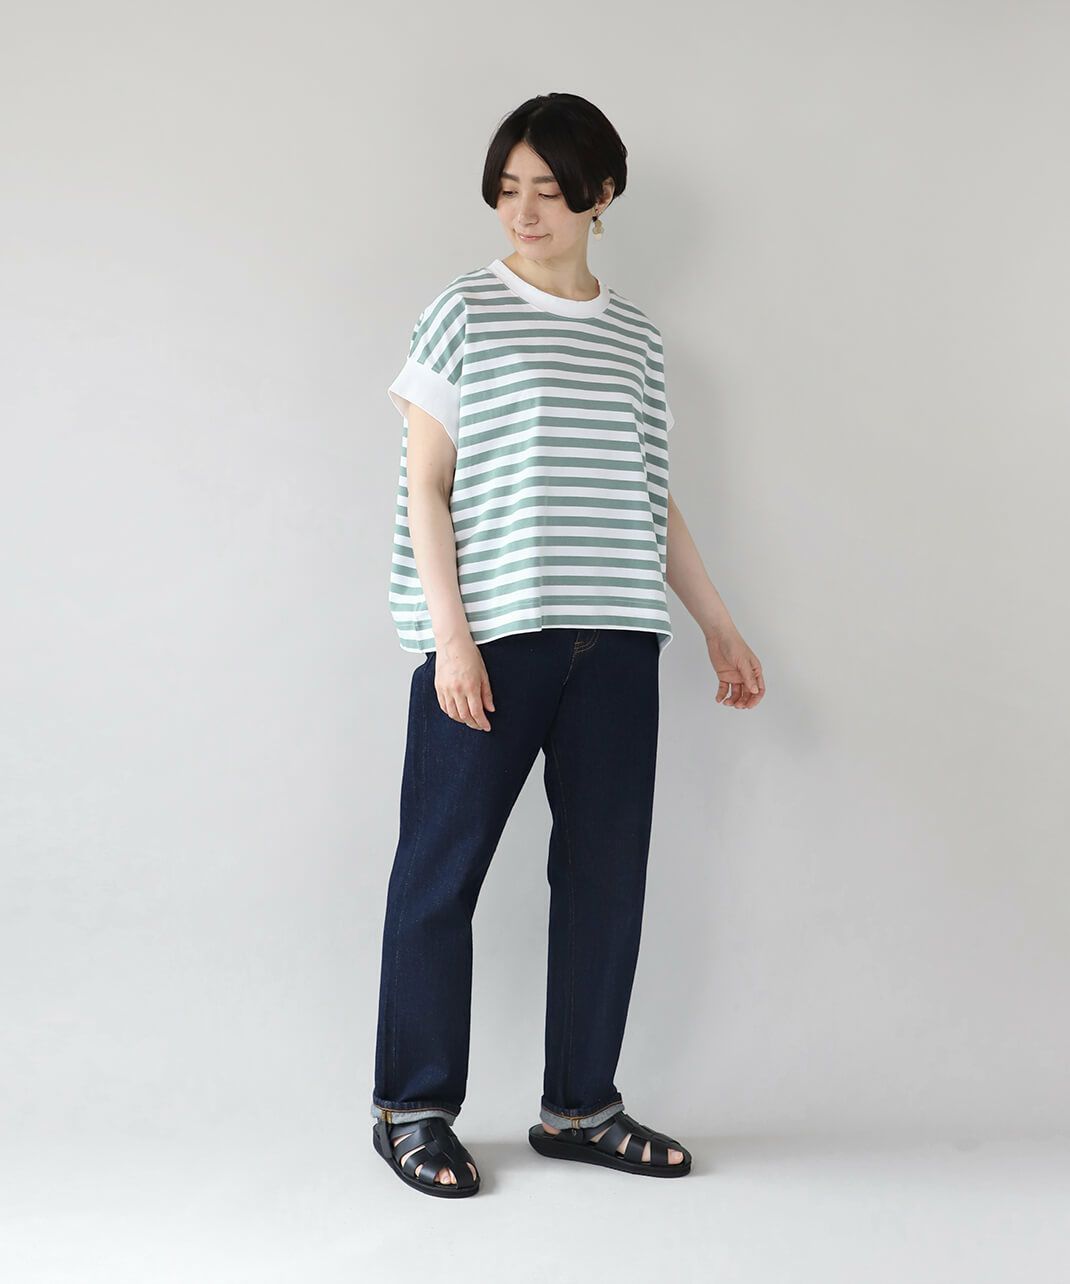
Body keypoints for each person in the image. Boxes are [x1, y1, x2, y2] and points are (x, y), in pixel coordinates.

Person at [370, 93, 765, 1198]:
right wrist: (451, 640)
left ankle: (580, 1106)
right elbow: (425, 487)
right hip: (494, 642)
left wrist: (717, 623)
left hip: (618, 641)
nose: (525, 212)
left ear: (601, 195)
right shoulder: (463, 311)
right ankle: (410, 1107)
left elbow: (649, 495)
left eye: (548, 190)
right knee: (439, 876)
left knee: (604, 880)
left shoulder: (635, 337)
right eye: (508, 190)